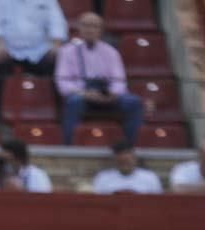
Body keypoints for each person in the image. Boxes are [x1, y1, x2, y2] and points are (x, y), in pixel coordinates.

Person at [55, 13, 143, 146]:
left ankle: (128, 148)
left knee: (133, 102)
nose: (90, 30)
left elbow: (119, 81)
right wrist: (84, 93)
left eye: (94, 26)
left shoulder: (111, 52)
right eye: (86, 25)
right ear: (79, 28)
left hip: (107, 95)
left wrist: (113, 94)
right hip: (82, 95)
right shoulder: (67, 51)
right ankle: (69, 147)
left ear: (101, 30)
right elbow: (62, 82)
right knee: (73, 102)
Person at [0, 0, 67, 121]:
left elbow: (57, 22)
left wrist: (56, 44)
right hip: (7, 49)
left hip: (39, 50)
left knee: (59, 61)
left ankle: (59, 113)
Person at [91, 141, 162, 194]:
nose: (125, 165)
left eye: (127, 161)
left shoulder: (150, 177)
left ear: (134, 159)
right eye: (121, 162)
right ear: (114, 160)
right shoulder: (102, 178)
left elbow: (157, 204)